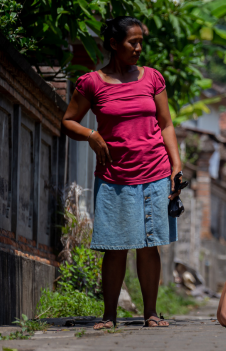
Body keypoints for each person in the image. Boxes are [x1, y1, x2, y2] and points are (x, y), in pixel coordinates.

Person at [61, 17, 182, 329]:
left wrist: (176, 166)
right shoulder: (92, 82)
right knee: (115, 247)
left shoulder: (153, 78)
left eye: (141, 41)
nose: (139, 48)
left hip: (155, 171)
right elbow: (68, 120)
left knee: (149, 244)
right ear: (114, 44)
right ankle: (109, 316)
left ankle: (151, 312)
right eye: (133, 42)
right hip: (114, 176)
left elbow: (166, 124)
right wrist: (91, 135)